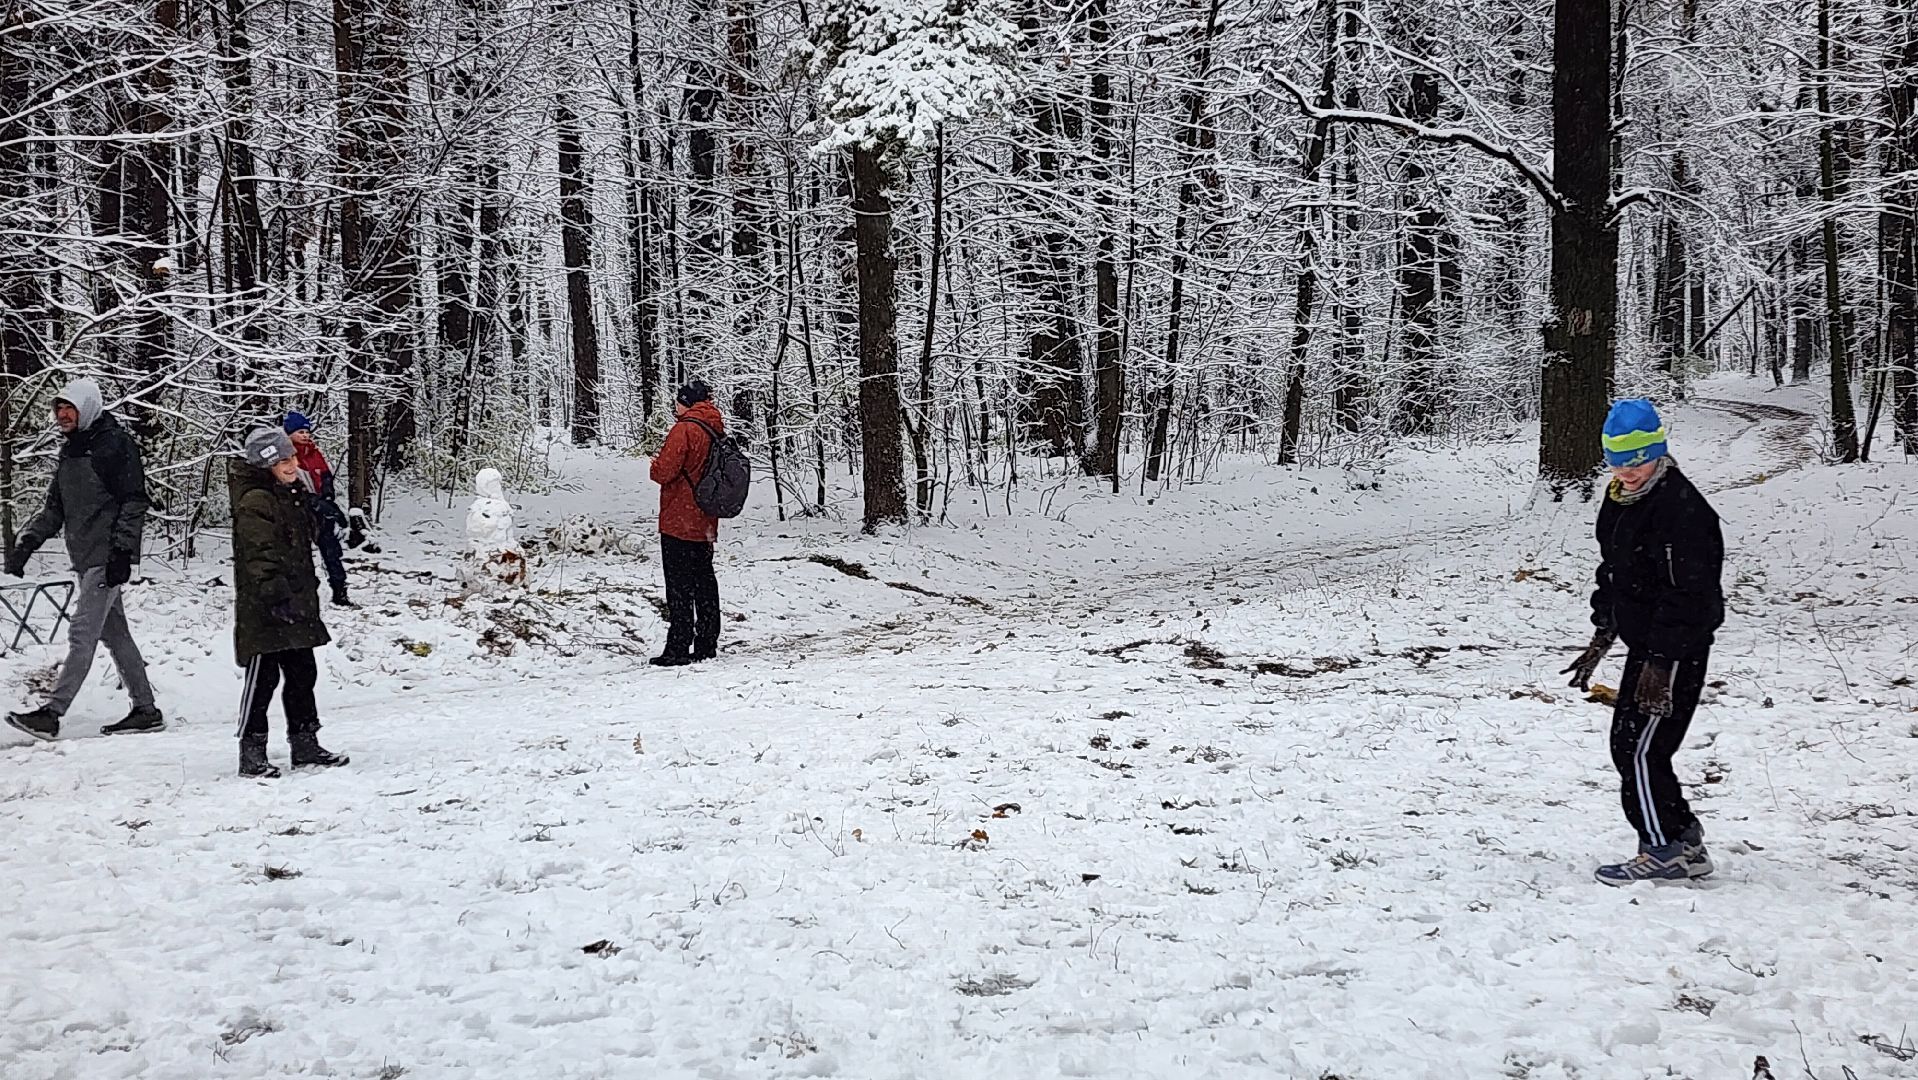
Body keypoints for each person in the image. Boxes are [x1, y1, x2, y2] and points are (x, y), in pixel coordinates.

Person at [1563, 398, 1724, 886]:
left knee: (1639, 749)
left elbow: (1691, 596)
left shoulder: (1684, 511)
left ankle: (1664, 849)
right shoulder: (1620, 497)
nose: (1627, 471)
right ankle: (1682, 838)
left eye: (1638, 461)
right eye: (1617, 461)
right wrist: (1604, 628)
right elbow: (1616, 569)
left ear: (1659, 452)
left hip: (1677, 649)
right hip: (1647, 644)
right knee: (1632, 747)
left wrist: (1660, 662)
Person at [3, 378, 165, 740]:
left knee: (82, 632)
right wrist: (27, 542)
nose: (62, 414)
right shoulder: (70, 451)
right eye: (58, 408)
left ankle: (52, 713)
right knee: (115, 634)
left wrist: (123, 551)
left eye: (69, 408)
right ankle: (146, 709)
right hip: (85, 556)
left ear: (87, 407)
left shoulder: (114, 446)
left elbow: (134, 500)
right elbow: (54, 509)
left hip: (107, 557)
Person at [231, 428, 348, 777]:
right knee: (262, 680)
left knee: (302, 674)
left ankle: (305, 742)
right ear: (267, 465)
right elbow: (259, 554)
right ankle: (251, 751)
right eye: (283, 461)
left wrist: (319, 511)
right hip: (265, 607)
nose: (292, 465)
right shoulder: (256, 500)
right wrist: (274, 593)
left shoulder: (290, 493)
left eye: (292, 458)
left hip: (296, 601)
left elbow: (302, 539)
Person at [647, 380, 724, 667]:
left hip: (679, 518)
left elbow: (664, 471)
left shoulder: (684, 429)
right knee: (704, 581)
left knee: (679, 584)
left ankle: (678, 646)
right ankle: (706, 642)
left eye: (678, 401)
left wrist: (654, 464)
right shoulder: (714, 427)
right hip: (704, 517)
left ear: (686, 401)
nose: (675, 406)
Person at [282, 411, 353, 607]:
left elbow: (325, 474)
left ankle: (340, 591)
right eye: (300, 432)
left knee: (331, 550)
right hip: (299, 510)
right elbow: (289, 484)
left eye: (307, 432)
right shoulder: (286, 455)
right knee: (299, 553)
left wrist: (328, 494)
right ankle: (302, 594)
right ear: (289, 434)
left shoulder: (313, 452)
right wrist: (311, 500)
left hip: (321, 508)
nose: (305, 435)